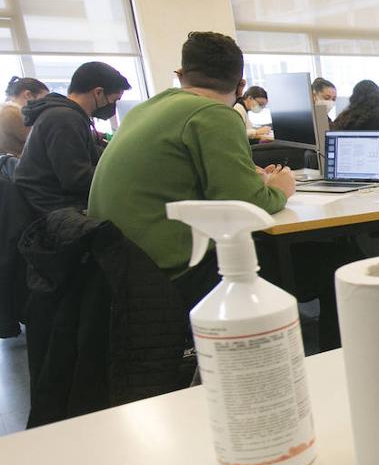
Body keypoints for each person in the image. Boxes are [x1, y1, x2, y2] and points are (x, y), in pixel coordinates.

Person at [88, 31, 294, 312]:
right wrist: (280, 190)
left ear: (180, 74)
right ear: (241, 85)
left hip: (115, 264)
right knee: (301, 258)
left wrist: (248, 177)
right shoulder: (215, 114)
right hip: (168, 271)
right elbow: (246, 204)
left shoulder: (144, 109)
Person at [15, 62, 130, 217]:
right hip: (52, 212)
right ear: (98, 92)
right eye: (115, 100)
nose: (113, 106)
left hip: (53, 206)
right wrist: (123, 174)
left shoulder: (66, 115)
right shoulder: (64, 119)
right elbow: (77, 179)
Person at [0, 76, 49, 157]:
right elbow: (39, 144)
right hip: (20, 164)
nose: (44, 105)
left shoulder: (4, 109)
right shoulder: (12, 113)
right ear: (28, 94)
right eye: (43, 100)